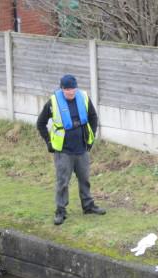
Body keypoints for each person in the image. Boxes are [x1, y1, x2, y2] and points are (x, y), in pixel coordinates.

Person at [37, 74, 105, 225]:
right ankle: (60, 211)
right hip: (63, 151)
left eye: (73, 88)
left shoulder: (84, 98)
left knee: (85, 179)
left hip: (82, 149)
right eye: (67, 89)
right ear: (62, 89)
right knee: (63, 182)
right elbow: (40, 123)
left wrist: (91, 138)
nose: (71, 92)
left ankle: (88, 206)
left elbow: (93, 117)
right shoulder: (53, 102)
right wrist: (48, 142)